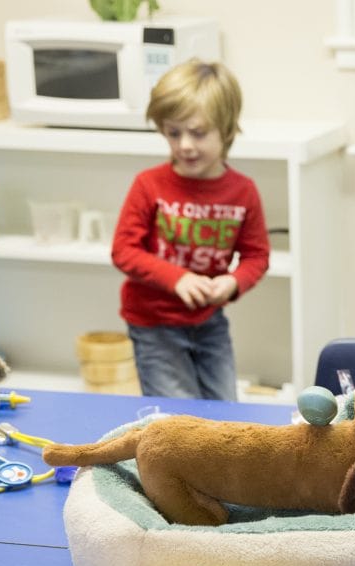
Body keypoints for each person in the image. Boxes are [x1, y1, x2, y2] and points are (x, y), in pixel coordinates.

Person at [112, 59, 269, 401]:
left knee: (226, 412)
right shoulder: (148, 184)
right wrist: (177, 278)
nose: (184, 144)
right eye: (173, 132)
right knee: (177, 418)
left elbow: (257, 256)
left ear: (226, 130)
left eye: (198, 133)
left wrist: (232, 282)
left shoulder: (243, 191)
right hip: (154, 326)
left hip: (210, 324)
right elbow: (124, 250)